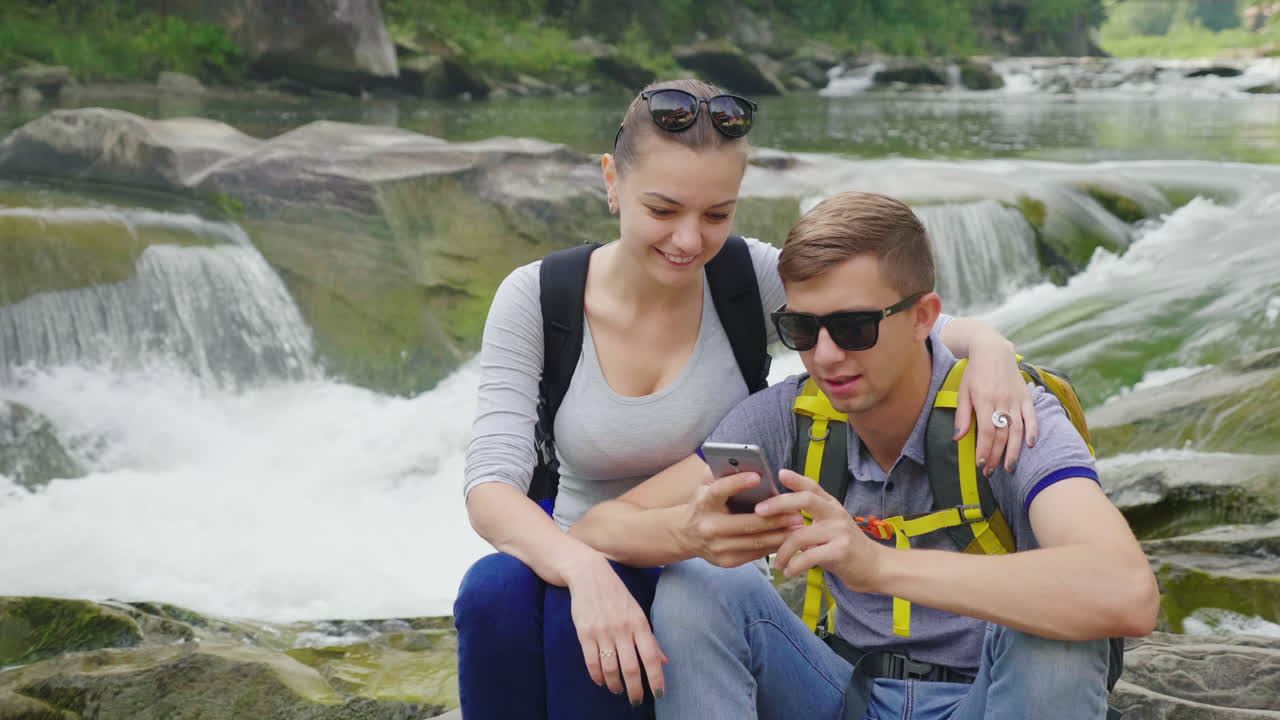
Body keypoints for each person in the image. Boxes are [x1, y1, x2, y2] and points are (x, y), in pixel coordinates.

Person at [454, 81, 1040, 720]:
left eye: (716, 215)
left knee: (615, 617)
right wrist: (583, 568)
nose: (688, 241)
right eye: (663, 209)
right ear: (612, 182)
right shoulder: (540, 297)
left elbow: (896, 322)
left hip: (713, 564)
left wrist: (991, 349)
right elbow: (490, 483)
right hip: (577, 542)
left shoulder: (746, 278)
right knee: (492, 592)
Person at [570, 191, 1160, 720]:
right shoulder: (786, 417)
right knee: (695, 583)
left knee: (1062, 628)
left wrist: (874, 565)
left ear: (923, 319)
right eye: (802, 328)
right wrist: (693, 534)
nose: (825, 356)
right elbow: (602, 524)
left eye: (853, 327)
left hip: (990, 695)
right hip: (839, 693)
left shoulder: (1008, 417)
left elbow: (1127, 593)